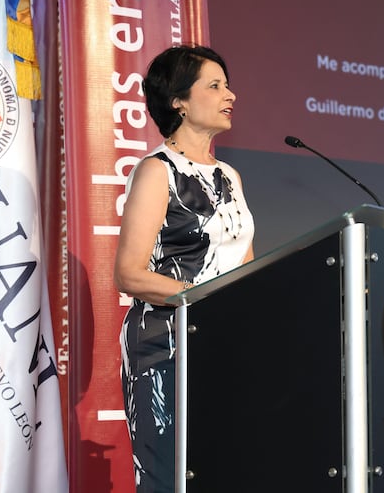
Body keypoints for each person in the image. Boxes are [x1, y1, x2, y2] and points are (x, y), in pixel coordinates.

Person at [114, 44, 255, 492]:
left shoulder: (231, 176)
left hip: (225, 342)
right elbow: (131, 274)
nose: (229, 94)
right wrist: (206, 297)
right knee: (170, 480)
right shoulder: (157, 172)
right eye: (214, 86)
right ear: (178, 100)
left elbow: (245, 267)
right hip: (164, 347)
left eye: (228, 85)